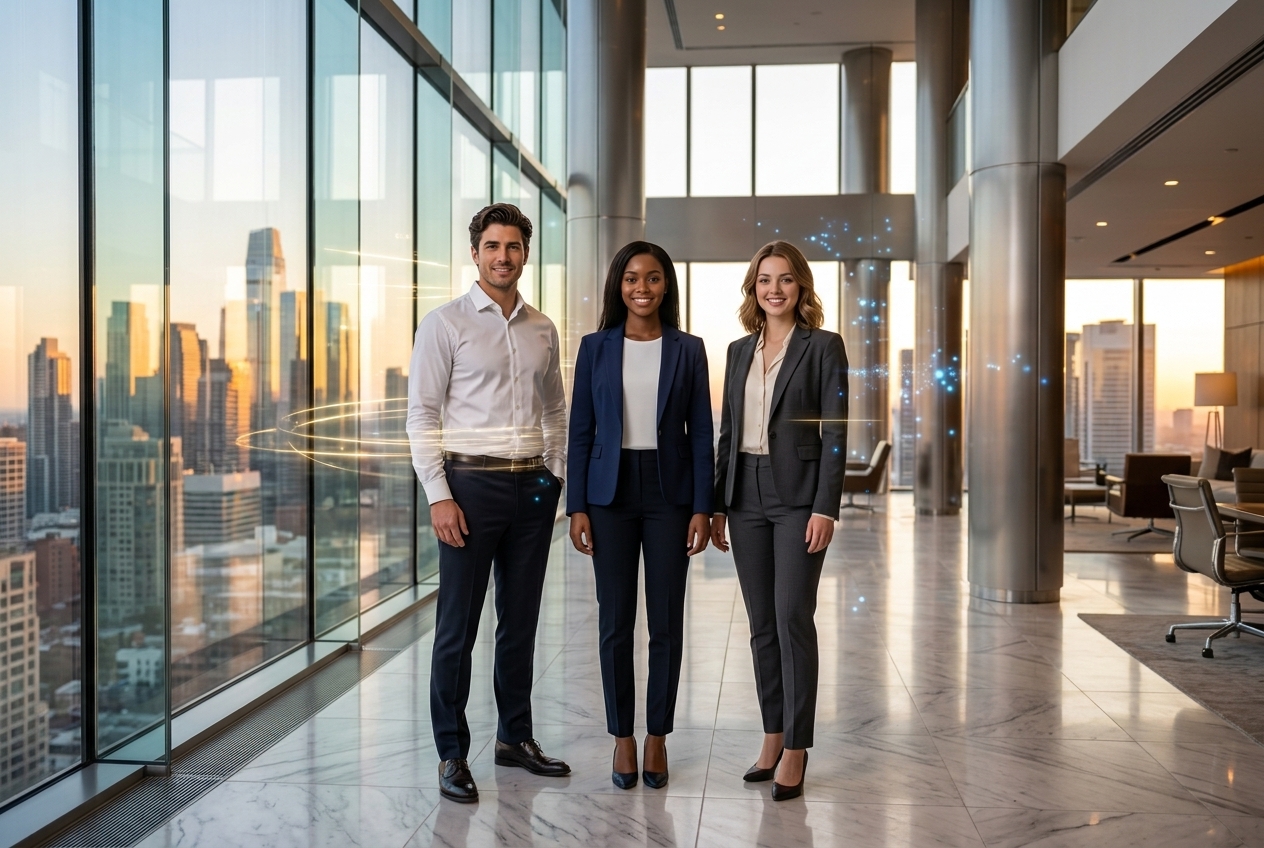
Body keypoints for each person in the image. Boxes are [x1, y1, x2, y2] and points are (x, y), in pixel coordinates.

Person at [407, 203, 570, 804]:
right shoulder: (444, 325)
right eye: (493, 246)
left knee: (520, 622)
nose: (504, 257)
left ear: (527, 254)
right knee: (458, 628)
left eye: (515, 247)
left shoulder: (543, 329)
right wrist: (439, 496)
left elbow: (555, 410)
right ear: (474, 253)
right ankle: (451, 752)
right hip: (469, 490)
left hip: (531, 488)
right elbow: (422, 415)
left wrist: (555, 475)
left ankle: (514, 738)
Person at [567, 241, 714, 790]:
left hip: (670, 493)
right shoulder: (594, 347)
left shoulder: (689, 349)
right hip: (608, 494)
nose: (642, 288)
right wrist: (576, 505)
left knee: (667, 621)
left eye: (653, 278)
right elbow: (580, 431)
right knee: (615, 621)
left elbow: (702, 432)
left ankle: (658, 737)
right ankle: (622, 738)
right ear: (618, 286)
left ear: (666, 286)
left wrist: (704, 506)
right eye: (631, 278)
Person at [710, 240, 848, 801]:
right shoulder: (738, 351)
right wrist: (719, 502)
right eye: (765, 280)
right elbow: (727, 432)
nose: (774, 289)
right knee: (761, 623)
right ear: (753, 289)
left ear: (801, 287)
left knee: (793, 616)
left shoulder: (824, 347)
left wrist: (825, 506)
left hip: (798, 498)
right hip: (745, 494)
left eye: (785, 279)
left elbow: (836, 433)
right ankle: (772, 735)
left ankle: (797, 745)